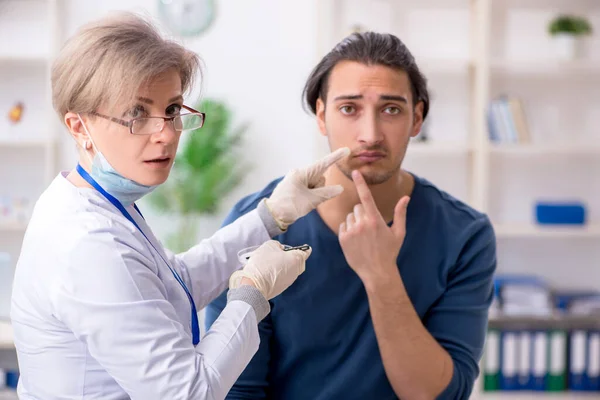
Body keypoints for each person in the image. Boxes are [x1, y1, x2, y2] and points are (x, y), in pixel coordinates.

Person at [9, 12, 350, 400]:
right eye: (137, 113)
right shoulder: (87, 243)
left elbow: (174, 285)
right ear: (78, 126)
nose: (167, 134)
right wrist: (251, 293)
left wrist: (270, 215)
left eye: (172, 110)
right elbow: (189, 394)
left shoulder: (96, 203)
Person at [205, 31, 497, 400]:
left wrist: (382, 276)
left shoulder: (465, 236)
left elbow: (441, 395)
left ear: (417, 119)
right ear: (322, 115)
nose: (370, 134)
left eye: (391, 109)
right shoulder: (256, 223)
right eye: (349, 109)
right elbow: (236, 392)